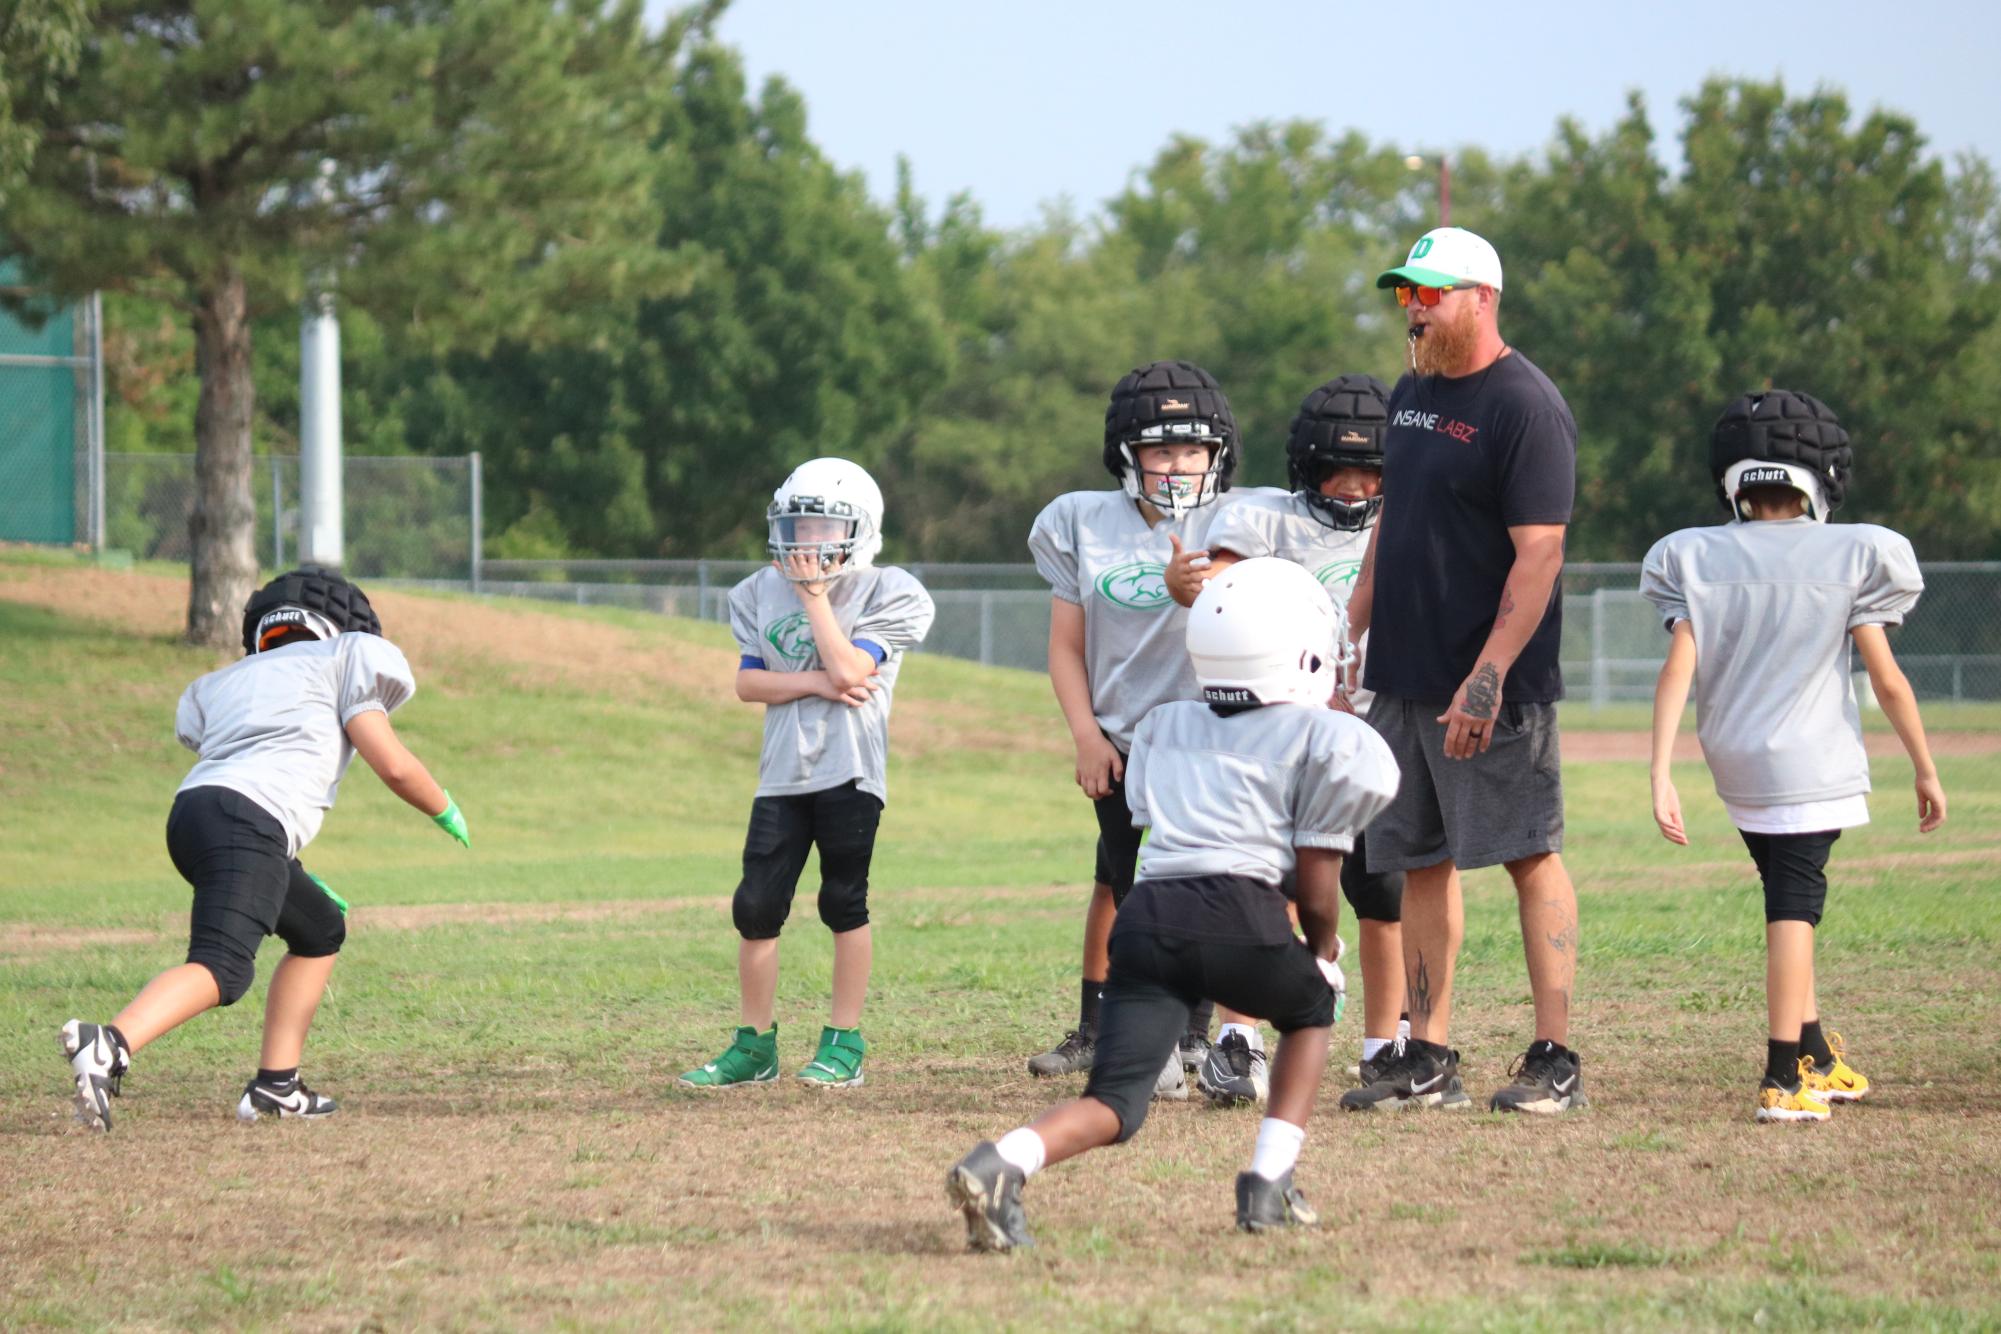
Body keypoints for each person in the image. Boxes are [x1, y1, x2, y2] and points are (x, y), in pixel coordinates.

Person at [947, 558, 1398, 1248]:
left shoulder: (1166, 724)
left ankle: (1003, 1160)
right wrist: (1320, 952)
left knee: (1114, 1104)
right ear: (1301, 650)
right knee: (1310, 1008)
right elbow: (1314, 883)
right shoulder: (1327, 738)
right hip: (1237, 915)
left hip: (1146, 921)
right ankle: (1268, 1182)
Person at [60, 568, 469, 1131]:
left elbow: (240, 765)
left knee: (319, 928)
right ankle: (109, 1042)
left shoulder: (221, 682)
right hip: (247, 819)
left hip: (194, 814)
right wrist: (442, 806)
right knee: (223, 967)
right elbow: (393, 765)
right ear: (345, 626)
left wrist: (285, 866)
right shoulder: (345, 658)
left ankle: (277, 1086)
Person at [1643, 390, 1945, 1122]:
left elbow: (1677, 667)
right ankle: (1784, 1074)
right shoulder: (1852, 551)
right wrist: (1925, 766)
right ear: (1823, 474)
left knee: (1784, 887)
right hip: (1808, 761)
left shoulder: (1695, 554)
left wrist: (1659, 771)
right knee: (1794, 908)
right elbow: (1886, 678)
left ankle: (1813, 1052)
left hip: (1734, 759)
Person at [1341, 226, 1587, 1115]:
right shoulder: (1409, 393)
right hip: (1401, 677)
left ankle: (1554, 1055)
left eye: (1428, 293)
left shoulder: (1524, 404)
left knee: (1527, 856)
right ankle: (1427, 1052)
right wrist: (1347, 635)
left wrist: (1485, 677)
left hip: (1490, 685)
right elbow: (1389, 525)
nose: (1412, 307)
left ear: (1480, 298)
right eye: (1404, 293)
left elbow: (1540, 554)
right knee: (1418, 863)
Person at [1023, 360, 1274, 1089]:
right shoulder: (1078, 519)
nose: (1177, 465)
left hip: (1213, 736)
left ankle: (1189, 1033)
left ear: (1217, 453)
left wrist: (1198, 588)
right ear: (1126, 455)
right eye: (1160, 450)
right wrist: (1085, 734)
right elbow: (1065, 646)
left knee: (1199, 881)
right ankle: (1108, 1027)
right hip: (1124, 739)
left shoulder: (1238, 519)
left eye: (1191, 449)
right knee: (1124, 882)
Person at [1165, 374, 1409, 1103]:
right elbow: (1219, 588)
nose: (1355, 484)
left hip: (1377, 729)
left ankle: (1386, 1045)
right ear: (1306, 466)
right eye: (1338, 468)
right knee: (1269, 890)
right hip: (1282, 733)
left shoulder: (1406, 520)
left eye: (1370, 470)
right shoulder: (1262, 520)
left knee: (1383, 896)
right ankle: (1240, 1039)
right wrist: (1188, 585)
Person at [678, 458, 934, 1090]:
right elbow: (748, 682)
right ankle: (753, 1045)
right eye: (797, 524)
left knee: (842, 901)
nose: (806, 539)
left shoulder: (888, 589)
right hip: (781, 775)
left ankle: (844, 1041)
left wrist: (816, 601)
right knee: (757, 906)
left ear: (860, 529)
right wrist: (817, 681)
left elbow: (854, 670)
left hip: (850, 769)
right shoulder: (755, 590)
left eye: (822, 525)